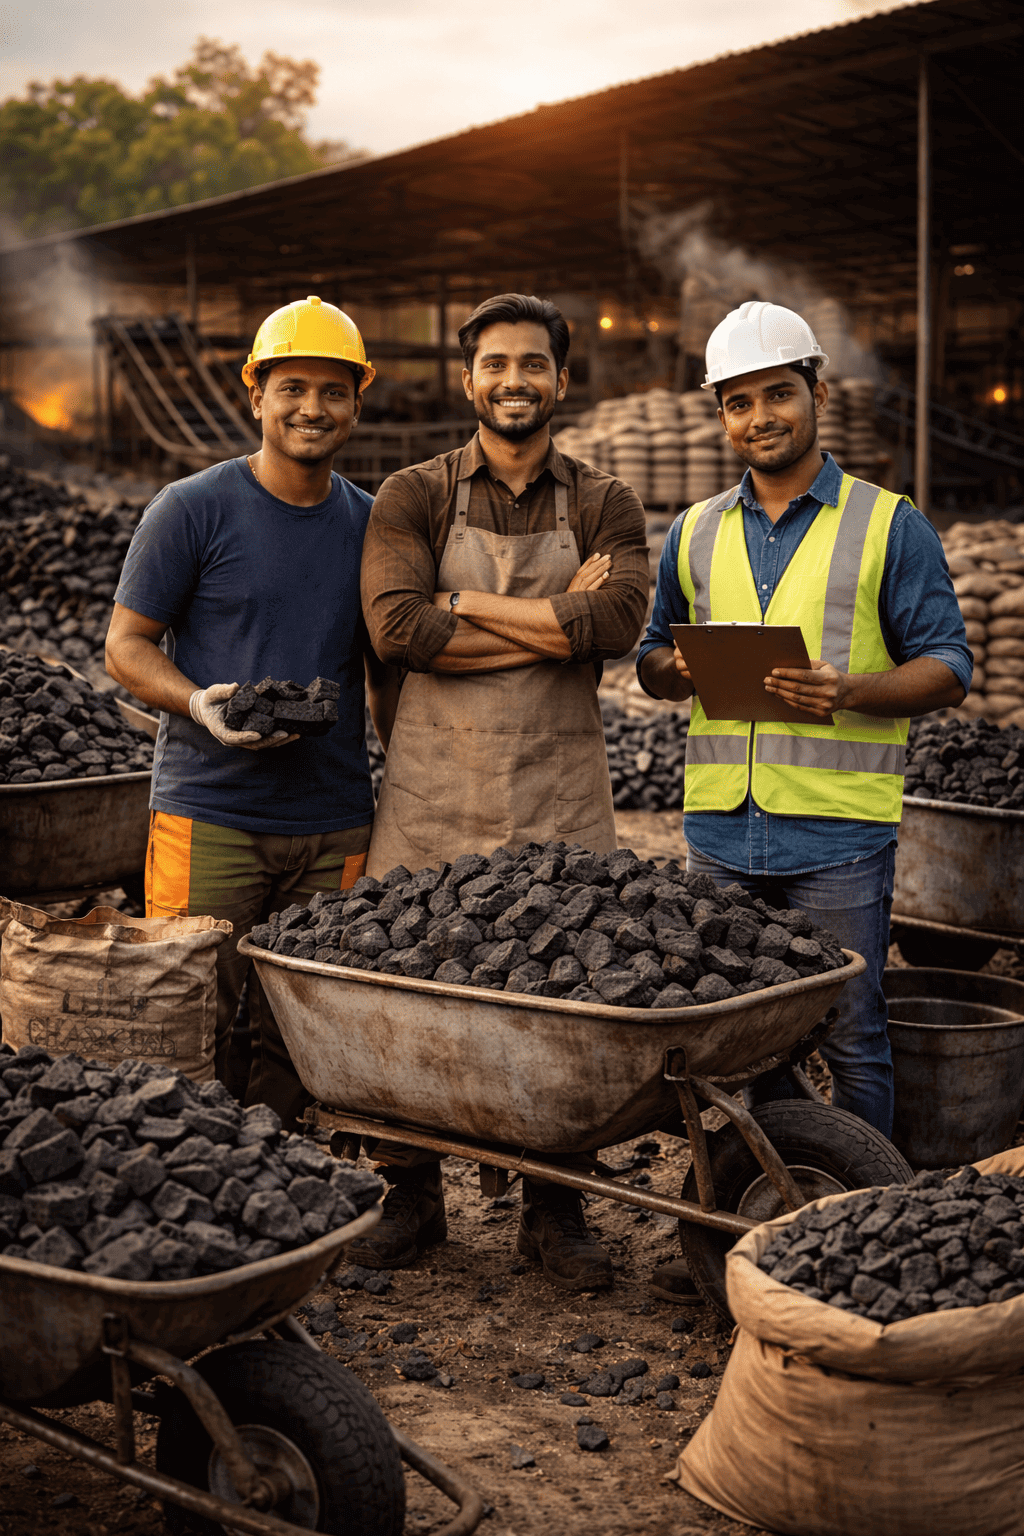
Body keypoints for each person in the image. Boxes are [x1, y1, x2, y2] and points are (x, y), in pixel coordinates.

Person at [355, 292, 649, 1289]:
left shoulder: (606, 501)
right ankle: (411, 1192)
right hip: (433, 795)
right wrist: (553, 616)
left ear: (563, 381)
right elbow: (398, 632)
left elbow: (613, 630)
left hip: (556, 795)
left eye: (534, 364)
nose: (514, 381)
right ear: (467, 378)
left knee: (565, 995)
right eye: (496, 364)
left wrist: (470, 605)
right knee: (412, 988)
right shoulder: (412, 494)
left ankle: (555, 1207)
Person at [638, 300, 972, 1141]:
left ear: (816, 390)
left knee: (853, 1033)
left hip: (837, 838)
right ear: (720, 415)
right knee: (742, 1040)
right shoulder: (693, 531)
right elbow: (650, 657)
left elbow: (950, 668)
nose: (761, 418)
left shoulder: (889, 525)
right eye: (739, 402)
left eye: (778, 393)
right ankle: (769, 1196)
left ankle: (857, 1216)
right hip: (719, 833)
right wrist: (671, 672)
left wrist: (850, 691)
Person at [106, 296, 399, 1129]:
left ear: (357, 400)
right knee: (188, 1012)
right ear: (256, 395)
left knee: (300, 1030)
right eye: (294, 387)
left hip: (333, 823)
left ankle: (276, 1183)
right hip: (211, 815)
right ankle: (182, 1176)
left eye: (333, 391)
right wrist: (198, 701)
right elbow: (126, 646)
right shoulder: (192, 508)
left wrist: (408, 774)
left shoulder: (372, 524)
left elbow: (384, 675)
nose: (313, 407)